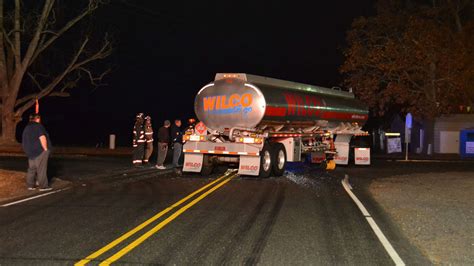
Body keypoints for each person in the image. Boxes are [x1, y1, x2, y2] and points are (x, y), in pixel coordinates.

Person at [21, 113, 53, 191]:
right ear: (38, 119)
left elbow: (24, 140)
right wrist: (45, 149)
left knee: (31, 169)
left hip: (30, 152)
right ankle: (43, 186)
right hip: (40, 151)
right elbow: (42, 137)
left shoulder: (26, 128)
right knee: (41, 169)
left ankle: (30, 185)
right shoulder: (38, 126)